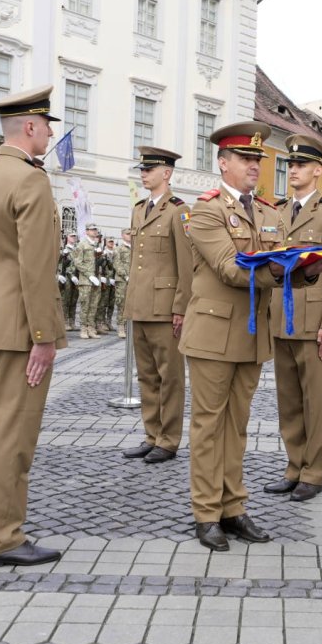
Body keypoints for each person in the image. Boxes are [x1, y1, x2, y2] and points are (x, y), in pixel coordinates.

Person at [181, 120, 322, 551]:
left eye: (258, 160)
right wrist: (284, 266)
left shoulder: (269, 211)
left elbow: (281, 265)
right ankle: (206, 513)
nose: (255, 166)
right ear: (223, 162)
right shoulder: (206, 211)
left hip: (252, 335)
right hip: (213, 333)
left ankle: (234, 507)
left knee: (237, 426)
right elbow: (232, 268)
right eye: (247, 159)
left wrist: (308, 270)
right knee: (209, 426)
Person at [0, 86, 67, 567]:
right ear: (29, 127)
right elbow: (36, 267)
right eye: (47, 125)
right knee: (13, 434)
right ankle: (2, 537)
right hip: (22, 324)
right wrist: (44, 336)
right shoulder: (30, 181)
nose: (49, 132)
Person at [263, 134, 322, 503]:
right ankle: (293, 466)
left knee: (314, 400)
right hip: (281, 318)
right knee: (288, 400)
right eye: (290, 165)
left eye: (300, 165)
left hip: (314, 322)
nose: (293, 170)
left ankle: (313, 473)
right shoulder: (277, 211)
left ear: (318, 170)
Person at [122, 146, 192, 464]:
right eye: (142, 169)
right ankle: (152, 435)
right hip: (140, 304)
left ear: (166, 173)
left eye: (149, 169)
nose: (143, 173)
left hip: (165, 308)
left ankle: (169, 439)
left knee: (170, 377)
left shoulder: (179, 211)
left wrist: (180, 308)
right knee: (146, 376)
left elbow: (186, 264)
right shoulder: (139, 209)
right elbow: (138, 260)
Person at [74, 223, 101, 339]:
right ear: (86, 231)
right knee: (85, 305)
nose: (95, 232)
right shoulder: (82, 245)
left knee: (94, 305)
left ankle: (91, 327)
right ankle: (83, 328)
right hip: (86, 280)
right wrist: (90, 275)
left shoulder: (97, 245)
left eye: (95, 230)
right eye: (92, 230)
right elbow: (77, 262)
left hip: (97, 279)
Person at [113, 229, 131, 339]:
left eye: (130, 234)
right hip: (122, 280)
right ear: (122, 235)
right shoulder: (118, 249)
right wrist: (125, 275)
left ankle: (128, 326)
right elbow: (117, 264)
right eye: (127, 234)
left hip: (133, 280)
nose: (130, 236)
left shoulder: (135, 248)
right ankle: (121, 326)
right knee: (121, 304)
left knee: (131, 304)